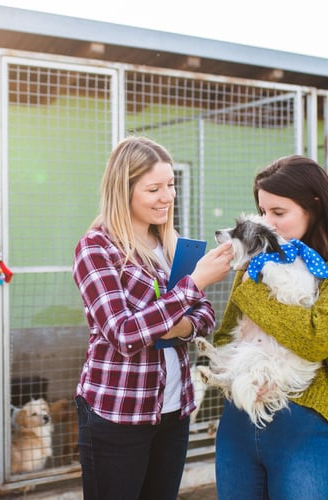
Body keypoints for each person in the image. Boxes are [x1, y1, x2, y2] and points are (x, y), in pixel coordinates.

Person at [212, 155, 328, 500]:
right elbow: (224, 333)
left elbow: (315, 337)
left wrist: (251, 287)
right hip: (241, 417)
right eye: (262, 212)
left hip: (307, 423)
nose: (267, 223)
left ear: (314, 206)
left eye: (279, 213)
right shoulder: (259, 258)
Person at [72, 136, 234, 499]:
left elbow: (205, 315)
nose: (167, 196)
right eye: (154, 188)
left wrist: (183, 322)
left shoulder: (171, 243)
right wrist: (191, 287)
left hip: (173, 410)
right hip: (118, 412)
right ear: (123, 190)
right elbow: (124, 333)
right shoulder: (97, 248)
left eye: (171, 185)